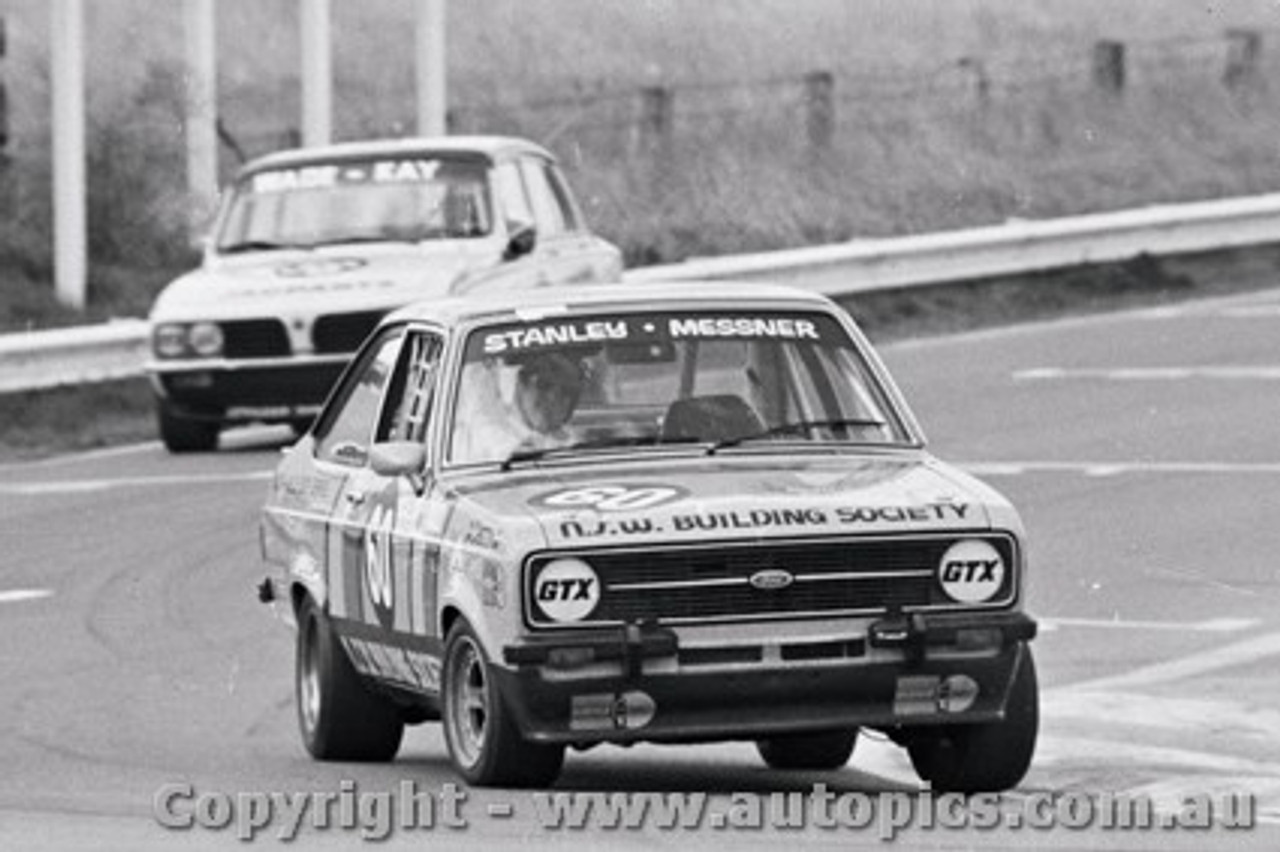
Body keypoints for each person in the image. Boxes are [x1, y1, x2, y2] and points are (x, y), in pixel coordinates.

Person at [510, 352, 584, 452]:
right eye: (543, 385)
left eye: (564, 391)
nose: (552, 396)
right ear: (522, 387)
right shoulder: (498, 441)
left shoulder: (581, 447)